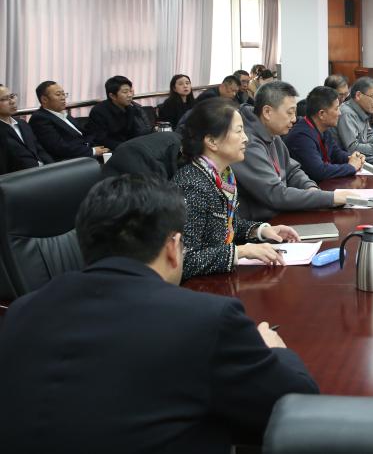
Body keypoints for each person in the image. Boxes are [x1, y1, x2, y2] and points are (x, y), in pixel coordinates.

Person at [0, 174, 319, 452]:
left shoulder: (21, 312)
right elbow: (299, 407)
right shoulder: (205, 320)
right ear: (172, 247)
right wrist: (275, 351)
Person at [174, 98, 300, 280]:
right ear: (212, 141)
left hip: (219, 279)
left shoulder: (224, 175)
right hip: (199, 287)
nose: (246, 138)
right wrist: (242, 251)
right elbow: (185, 261)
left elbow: (227, 226)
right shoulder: (193, 185)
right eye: (239, 131)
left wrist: (261, 230)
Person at [234, 80, 354, 220]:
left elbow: (292, 170)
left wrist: (310, 188)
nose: (294, 119)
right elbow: (275, 195)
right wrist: (330, 198)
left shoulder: (273, 133)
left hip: (282, 215)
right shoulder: (247, 144)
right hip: (263, 224)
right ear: (267, 112)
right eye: (289, 113)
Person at [286, 85, 364, 181]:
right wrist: (351, 167)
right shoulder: (301, 136)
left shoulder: (323, 129)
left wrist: (352, 158)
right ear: (321, 114)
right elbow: (319, 171)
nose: (339, 113)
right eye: (336, 108)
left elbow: (336, 153)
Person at [29, 80, 108, 160]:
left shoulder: (62, 113)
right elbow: (59, 147)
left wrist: (93, 145)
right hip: (72, 159)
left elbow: (84, 133)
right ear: (44, 99)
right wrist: (92, 151)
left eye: (63, 94)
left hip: (87, 151)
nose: (63, 98)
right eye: (58, 94)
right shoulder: (40, 118)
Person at [88, 75, 152, 149]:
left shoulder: (131, 108)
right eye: (125, 92)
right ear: (112, 96)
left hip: (131, 147)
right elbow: (101, 139)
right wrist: (127, 147)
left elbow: (135, 132)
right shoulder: (98, 111)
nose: (130, 95)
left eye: (130, 91)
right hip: (112, 150)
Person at [0, 84, 53, 170]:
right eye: (4, 99)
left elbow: (39, 150)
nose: (12, 101)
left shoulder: (22, 123)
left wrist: (52, 167)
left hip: (44, 171)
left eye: (12, 96)